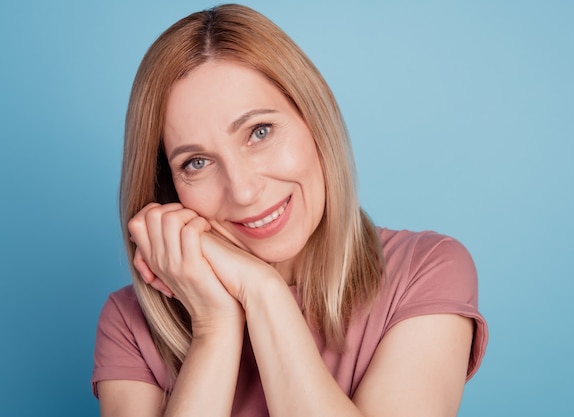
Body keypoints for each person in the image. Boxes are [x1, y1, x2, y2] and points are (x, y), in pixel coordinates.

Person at [91, 4, 488, 416]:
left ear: (314, 120)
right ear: (169, 188)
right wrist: (215, 327)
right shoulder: (130, 323)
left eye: (259, 132)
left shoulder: (425, 271)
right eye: (196, 162)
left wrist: (263, 292)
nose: (243, 191)